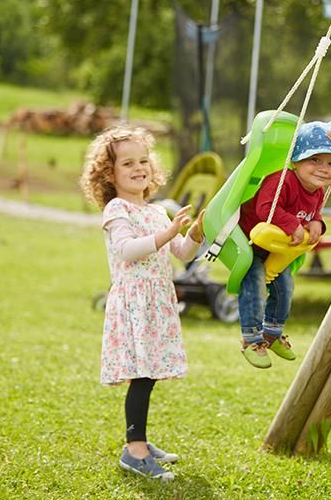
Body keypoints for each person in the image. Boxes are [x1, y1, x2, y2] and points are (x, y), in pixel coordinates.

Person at [79, 125, 205, 481]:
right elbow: (126, 250)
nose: (139, 168)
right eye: (128, 163)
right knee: (141, 375)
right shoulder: (117, 210)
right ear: (109, 173)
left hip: (157, 302)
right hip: (134, 303)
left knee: (148, 375)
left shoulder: (156, 211)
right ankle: (134, 451)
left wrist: (194, 233)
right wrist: (168, 233)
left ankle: (141, 442)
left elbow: (180, 253)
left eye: (144, 160)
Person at [237, 121, 331, 368]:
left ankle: (271, 334)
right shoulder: (281, 180)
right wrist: (292, 225)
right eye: (314, 160)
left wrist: (318, 222)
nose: (323, 169)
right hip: (247, 241)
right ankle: (251, 339)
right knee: (253, 279)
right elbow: (266, 208)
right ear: (295, 160)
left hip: (274, 246)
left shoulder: (318, 191)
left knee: (284, 286)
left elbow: (311, 214)